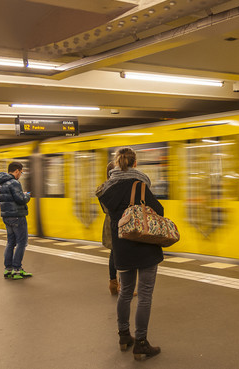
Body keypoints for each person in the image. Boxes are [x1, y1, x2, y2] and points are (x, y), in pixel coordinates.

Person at [96, 147, 162, 360]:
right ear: (135, 163)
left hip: (121, 247)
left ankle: (124, 335)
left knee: (125, 293)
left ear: (117, 163)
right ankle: (141, 342)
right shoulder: (140, 184)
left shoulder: (106, 189)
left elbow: (110, 213)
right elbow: (158, 211)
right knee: (144, 295)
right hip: (144, 245)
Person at [97, 161, 147, 296]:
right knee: (124, 253)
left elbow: (106, 209)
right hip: (122, 222)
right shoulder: (117, 188)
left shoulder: (103, 188)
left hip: (109, 223)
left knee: (114, 253)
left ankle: (113, 284)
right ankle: (124, 287)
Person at [0, 161, 33, 280]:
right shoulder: (14, 183)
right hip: (17, 216)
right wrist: (27, 195)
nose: (20, 175)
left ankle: (8, 269)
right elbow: (20, 199)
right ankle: (17, 269)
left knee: (11, 242)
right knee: (22, 242)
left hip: (6, 216)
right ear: (16, 171)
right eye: (20, 172)